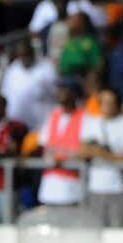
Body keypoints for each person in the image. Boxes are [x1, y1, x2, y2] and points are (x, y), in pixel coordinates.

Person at [79, 89, 123, 227]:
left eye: (110, 102)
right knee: (95, 231)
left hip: (119, 188)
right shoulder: (91, 123)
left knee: (119, 232)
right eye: (104, 102)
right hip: (95, 188)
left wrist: (102, 153)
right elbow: (82, 151)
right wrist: (96, 151)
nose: (106, 106)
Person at [35, 80, 86, 209]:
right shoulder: (53, 115)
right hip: (49, 187)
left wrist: (61, 157)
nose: (59, 93)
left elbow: (86, 150)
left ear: (74, 94)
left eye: (64, 90)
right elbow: (44, 145)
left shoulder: (85, 117)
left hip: (72, 186)